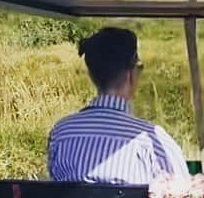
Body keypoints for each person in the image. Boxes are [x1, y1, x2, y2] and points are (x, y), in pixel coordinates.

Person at [48, 26, 188, 185]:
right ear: (132, 72)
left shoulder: (61, 133)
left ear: (92, 73)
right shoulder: (153, 141)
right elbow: (184, 197)